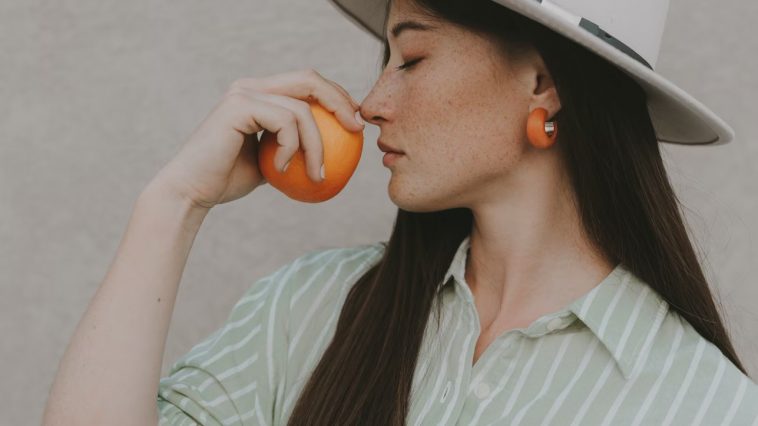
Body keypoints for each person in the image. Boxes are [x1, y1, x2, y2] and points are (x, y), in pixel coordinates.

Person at [43, 0, 757, 424]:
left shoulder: (703, 407)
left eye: (410, 59)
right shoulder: (307, 310)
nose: (371, 103)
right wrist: (174, 203)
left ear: (543, 80)